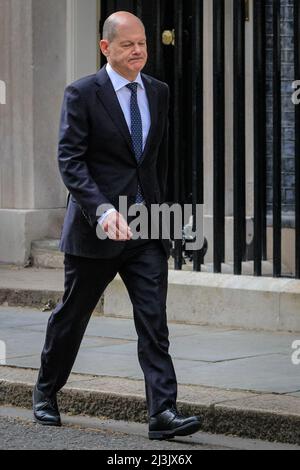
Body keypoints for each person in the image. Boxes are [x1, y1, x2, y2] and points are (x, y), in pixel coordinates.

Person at [32, 11, 201, 440]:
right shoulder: (83, 93)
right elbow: (71, 161)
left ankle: (163, 412)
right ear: (106, 48)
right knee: (73, 315)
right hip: (98, 226)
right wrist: (104, 211)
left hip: (147, 224)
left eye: (142, 43)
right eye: (128, 44)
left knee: (153, 321)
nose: (138, 50)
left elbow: (156, 161)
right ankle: (46, 391)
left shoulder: (159, 92)